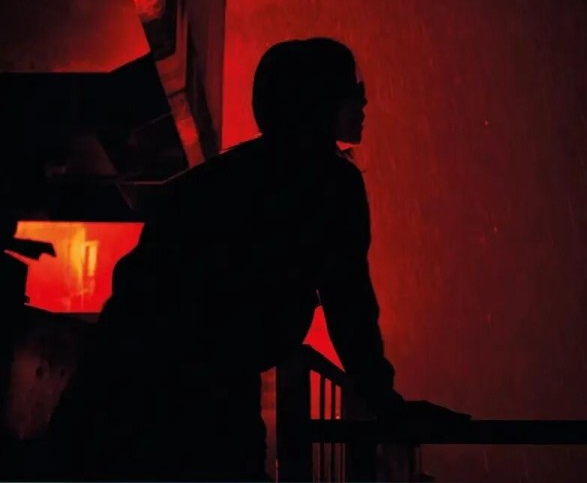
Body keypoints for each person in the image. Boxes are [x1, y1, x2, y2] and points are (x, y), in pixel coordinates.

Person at [44, 38, 467, 481]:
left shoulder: (222, 179)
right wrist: (387, 405)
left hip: (130, 390)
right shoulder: (328, 185)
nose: (363, 100)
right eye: (349, 89)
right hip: (192, 395)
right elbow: (351, 310)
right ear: (318, 103)